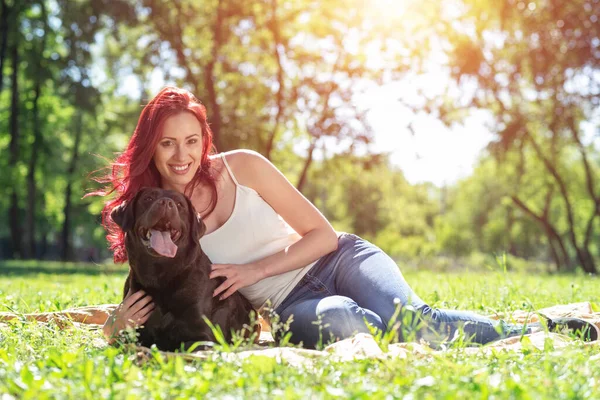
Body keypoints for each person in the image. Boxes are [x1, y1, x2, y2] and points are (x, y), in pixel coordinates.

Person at [97, 86, 597, 348]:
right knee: (342, 320)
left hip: (338, 261)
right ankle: (403, 332)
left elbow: (324, 235)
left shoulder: (242, 167)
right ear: (152, 148)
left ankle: (540, 330)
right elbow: (148, 293)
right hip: (289, 307)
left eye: (190, 140)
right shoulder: (155, 218)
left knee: (413, 322)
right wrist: (115, 326)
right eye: (168, 143)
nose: (181, 155)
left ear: (204, 140)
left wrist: (254, 271)